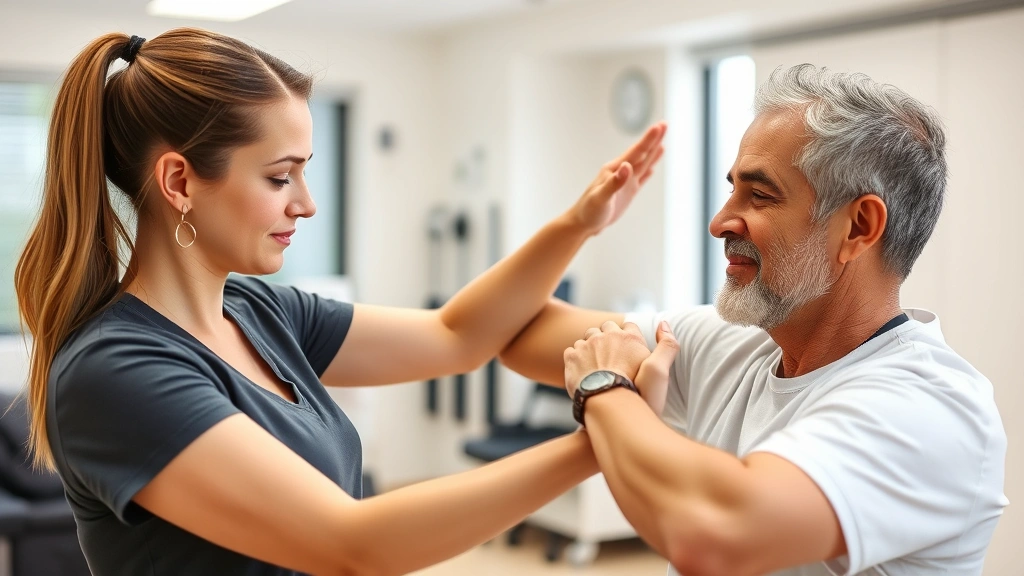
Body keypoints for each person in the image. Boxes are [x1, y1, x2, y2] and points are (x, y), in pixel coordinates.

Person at [14, 28, 666, 575]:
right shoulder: (115, 371)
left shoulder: (259, 311)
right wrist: (601, 434)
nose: (306, 203)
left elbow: (456, 336)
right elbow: (353, 542)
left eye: (304, 170)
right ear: (180, 180)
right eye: (279, 176)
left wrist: (577, 225)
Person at [501, 64, 1007, 575]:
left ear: (859, 225)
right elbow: (512, 332)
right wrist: (575, 227)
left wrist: (605, 390)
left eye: (760, 195)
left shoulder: (932, 408)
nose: (719, 221)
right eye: (732, 190)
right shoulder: (733, 342)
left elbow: (711, 539)